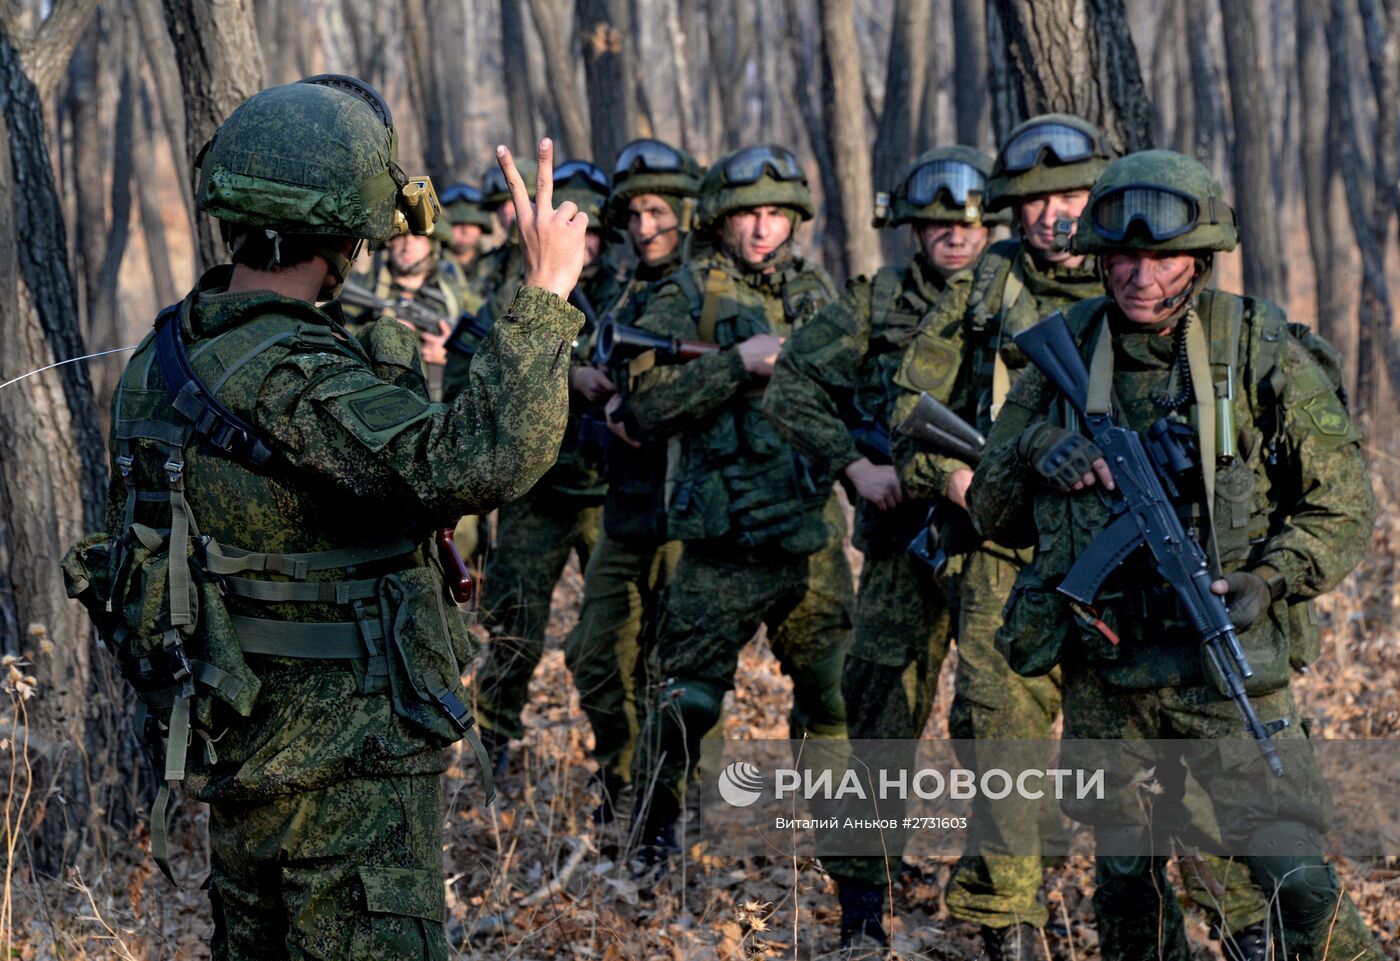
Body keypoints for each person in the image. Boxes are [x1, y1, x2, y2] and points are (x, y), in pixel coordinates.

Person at [67, 73, 589, 960]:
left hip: (241, 759)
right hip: (346, 780)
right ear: (348, 230)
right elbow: (484, 458)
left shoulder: (166, 356)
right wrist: (545, 293)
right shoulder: (292, 370)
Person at [969, 149, 1380, 961]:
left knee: (1290, 866)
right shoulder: (1061, 353)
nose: (1140, 276)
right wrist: (1041, 449)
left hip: (1223, 665)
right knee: (1126, 876)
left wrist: (1269, 577)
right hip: (1108, 674)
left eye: (1161, 257)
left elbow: (1344, 504)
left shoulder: (1255, 345)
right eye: (1122, 255)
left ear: (1200, 258)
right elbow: (989, 509)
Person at [763, 145, 997, 952]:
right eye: (936, 224)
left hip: (997, 546)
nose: (955, 237)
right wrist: (856, 465)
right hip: (904, 545)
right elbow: (792, 383)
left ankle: (1001, 907)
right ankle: (865, 901)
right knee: (877, 716)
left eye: (968, 222)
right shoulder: (878, 302)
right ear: (911, 230)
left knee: (997, 721)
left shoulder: (1014, 293)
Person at [623, 144, 853, 872]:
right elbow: (646, 402)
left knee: (833, 698)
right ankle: (654, 842)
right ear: (721, 220)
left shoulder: (820, 292)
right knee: (684, 702)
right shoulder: (683, 294)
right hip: (721, 538)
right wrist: (736, 364)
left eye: (775, 215)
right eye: (748, 215)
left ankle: (851, 864)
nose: (761, 229)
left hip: (810, 532)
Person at [465, 159, 627, 772]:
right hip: (538, 488)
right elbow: (479, 376)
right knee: (512, 627)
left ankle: (624, 763)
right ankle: (495, 749)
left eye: (590, 233)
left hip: (608, 491)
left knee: (614, 641)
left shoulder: (629, 293)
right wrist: (568, 374)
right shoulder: (515, 293)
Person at [560, 139, 704, 822]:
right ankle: (623, 783)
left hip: (688, 509)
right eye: (635, 214)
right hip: (627, 503)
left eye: (658, 211)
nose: (645, 227)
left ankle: (673, 810)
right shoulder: (624, 289)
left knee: (675, 670)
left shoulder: (711, 288)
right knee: (595, 653)